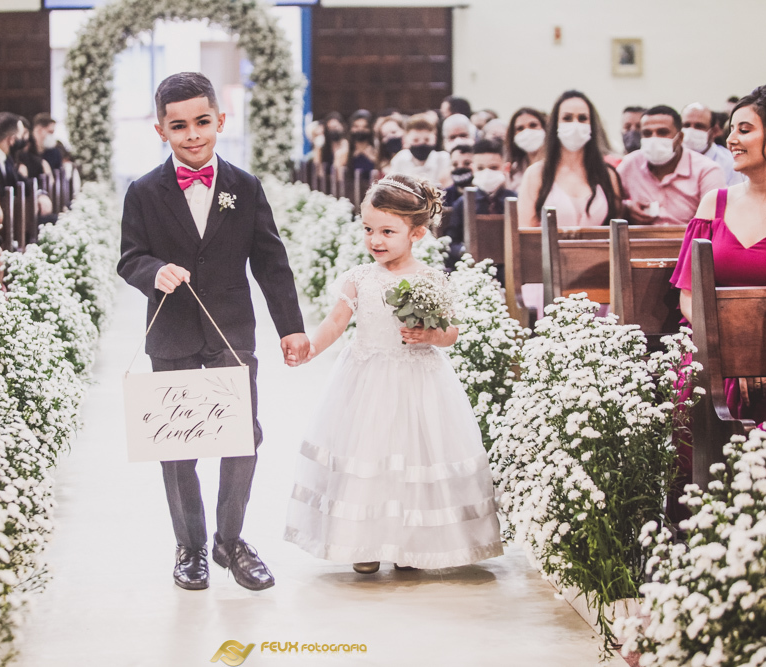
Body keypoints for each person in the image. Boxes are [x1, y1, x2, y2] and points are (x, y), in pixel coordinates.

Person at [117, 72, 309, 593]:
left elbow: (271, 262)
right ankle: (191, 546)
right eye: (179, 126)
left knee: (242, 436)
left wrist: (291, 327)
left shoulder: (244, 187)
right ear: (161, 130)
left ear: (221, 120)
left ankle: (230, 539)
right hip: (172, 331)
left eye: (202, 121)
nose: (192, 134)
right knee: (177, 444)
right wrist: (153, 270)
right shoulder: (143, 191)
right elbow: (129, 258)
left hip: (230, 330)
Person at [283, 172, 503, 573]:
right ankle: (363, 542)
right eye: (368, 229)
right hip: (366, 379)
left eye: (387, 231)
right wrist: (312, 348)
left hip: (419, 381)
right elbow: (335, 322)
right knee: (367, 455)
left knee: (415, 458)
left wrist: (430, 335)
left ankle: (411, 544)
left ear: (417, 233)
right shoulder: (359, 278)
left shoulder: (430, 279)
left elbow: (451, 332)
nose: (375, 240)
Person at [669, 81, 766, 489]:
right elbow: (689, 296)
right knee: (695, 389)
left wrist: (757, 357)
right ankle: (698, 504)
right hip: (710, 346)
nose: (731, 139)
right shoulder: (714, 203)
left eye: (745, 130)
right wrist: (729, 352)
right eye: (732, 129)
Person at [517, 90, 622, 228]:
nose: (575, 124)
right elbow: (525, 230)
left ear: (592, 125)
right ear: (556, 124)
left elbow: (616, 225)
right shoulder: (536, 174)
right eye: (567, 118)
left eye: (582, 118)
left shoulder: (608, 175)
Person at [618, 105, 725, 226]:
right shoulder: (630, 164)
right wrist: (626, 207)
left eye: (662, 132)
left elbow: (715, 221)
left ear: (680, 138)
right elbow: (609, 202)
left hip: (689, 237)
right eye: (647, 133)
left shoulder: (707, 170)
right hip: (640, 237)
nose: (654, 139)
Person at [443, 138, 516, 269]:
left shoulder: (515, 200)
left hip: (510, 266)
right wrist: (465, 251)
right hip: (474, 269)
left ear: (506, 168)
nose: (487, 173)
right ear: (473, 169)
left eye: (493, 167)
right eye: (480, 168)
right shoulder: (463, 203)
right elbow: (451, 241)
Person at [681, 102, 745, 186]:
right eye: (686, 125)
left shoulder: (731, 163)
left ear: (714, 131)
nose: (691, 130)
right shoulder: (671, 159)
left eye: (699, 126)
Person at [390, 114, 453, 189]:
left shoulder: (444, 159)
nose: (421, 144)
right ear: (405, 140)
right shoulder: (400, 160)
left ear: (435, 139)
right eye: (415, 140)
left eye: (427, 140)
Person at [506, 107, 547, 191]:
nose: (527, 131)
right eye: (520, 128)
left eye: (533, 125)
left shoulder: (558, 163)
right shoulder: (514, 170)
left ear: (544, 128)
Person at [445, 140, 474, 206]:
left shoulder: (483, 195)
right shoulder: (444, 196)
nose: (460, 167)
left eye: (467, 163)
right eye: (455, 164)